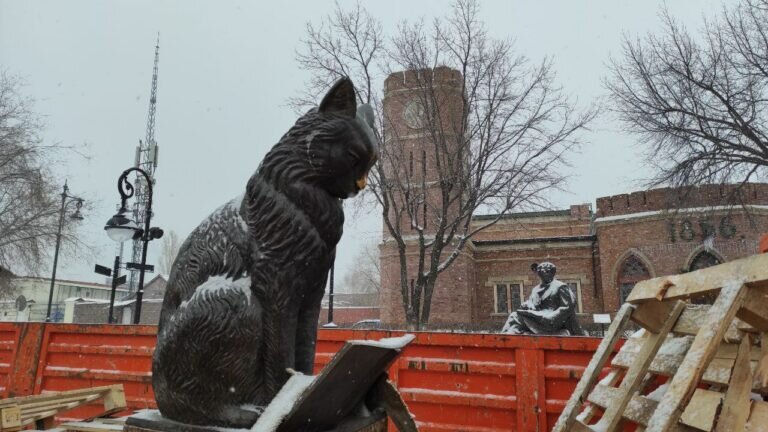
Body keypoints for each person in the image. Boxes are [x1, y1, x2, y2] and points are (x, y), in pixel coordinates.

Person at [502, 262, 586, 336]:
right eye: (541, 272)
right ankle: (507, 338)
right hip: (539, 316)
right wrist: (527, 305)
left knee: (517, 317)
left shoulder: (560, 287)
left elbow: (567, 307)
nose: (544, 274)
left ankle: (507, 339)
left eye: (547, 271)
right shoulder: (536, 289)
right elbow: (533, 303)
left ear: (552, 273)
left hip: (554, 319)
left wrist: (552, 317)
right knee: (515, 315)